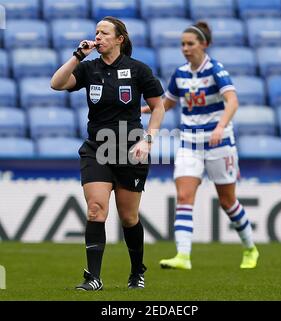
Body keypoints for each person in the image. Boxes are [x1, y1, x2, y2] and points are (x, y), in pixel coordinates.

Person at [51, 16, 165, 290]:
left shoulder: (139, 70)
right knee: (95, 209)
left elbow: (158, 108)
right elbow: (56, 84)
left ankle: (137, 271)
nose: (98, 37)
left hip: (130, 150)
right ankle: (93, 278)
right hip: (96, 149)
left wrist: (148, 140)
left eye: (104, 33)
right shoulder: (89, 69)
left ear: (119, 39)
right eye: (96, 33)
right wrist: (78, 55)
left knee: (128, 218)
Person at [142, 21, 259, 270]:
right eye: (182, 44)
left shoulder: (216, 70)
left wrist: (220, 126)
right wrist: (145, 109)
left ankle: (250, 248)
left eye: (190, 44)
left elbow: (233, 101)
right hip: (189, 143)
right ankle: (183, 255)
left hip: (219, 143)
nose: (185, 48)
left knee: (228, 202)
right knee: (184, 196)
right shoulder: (181, 73)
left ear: (203, 45)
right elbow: (168, 103)